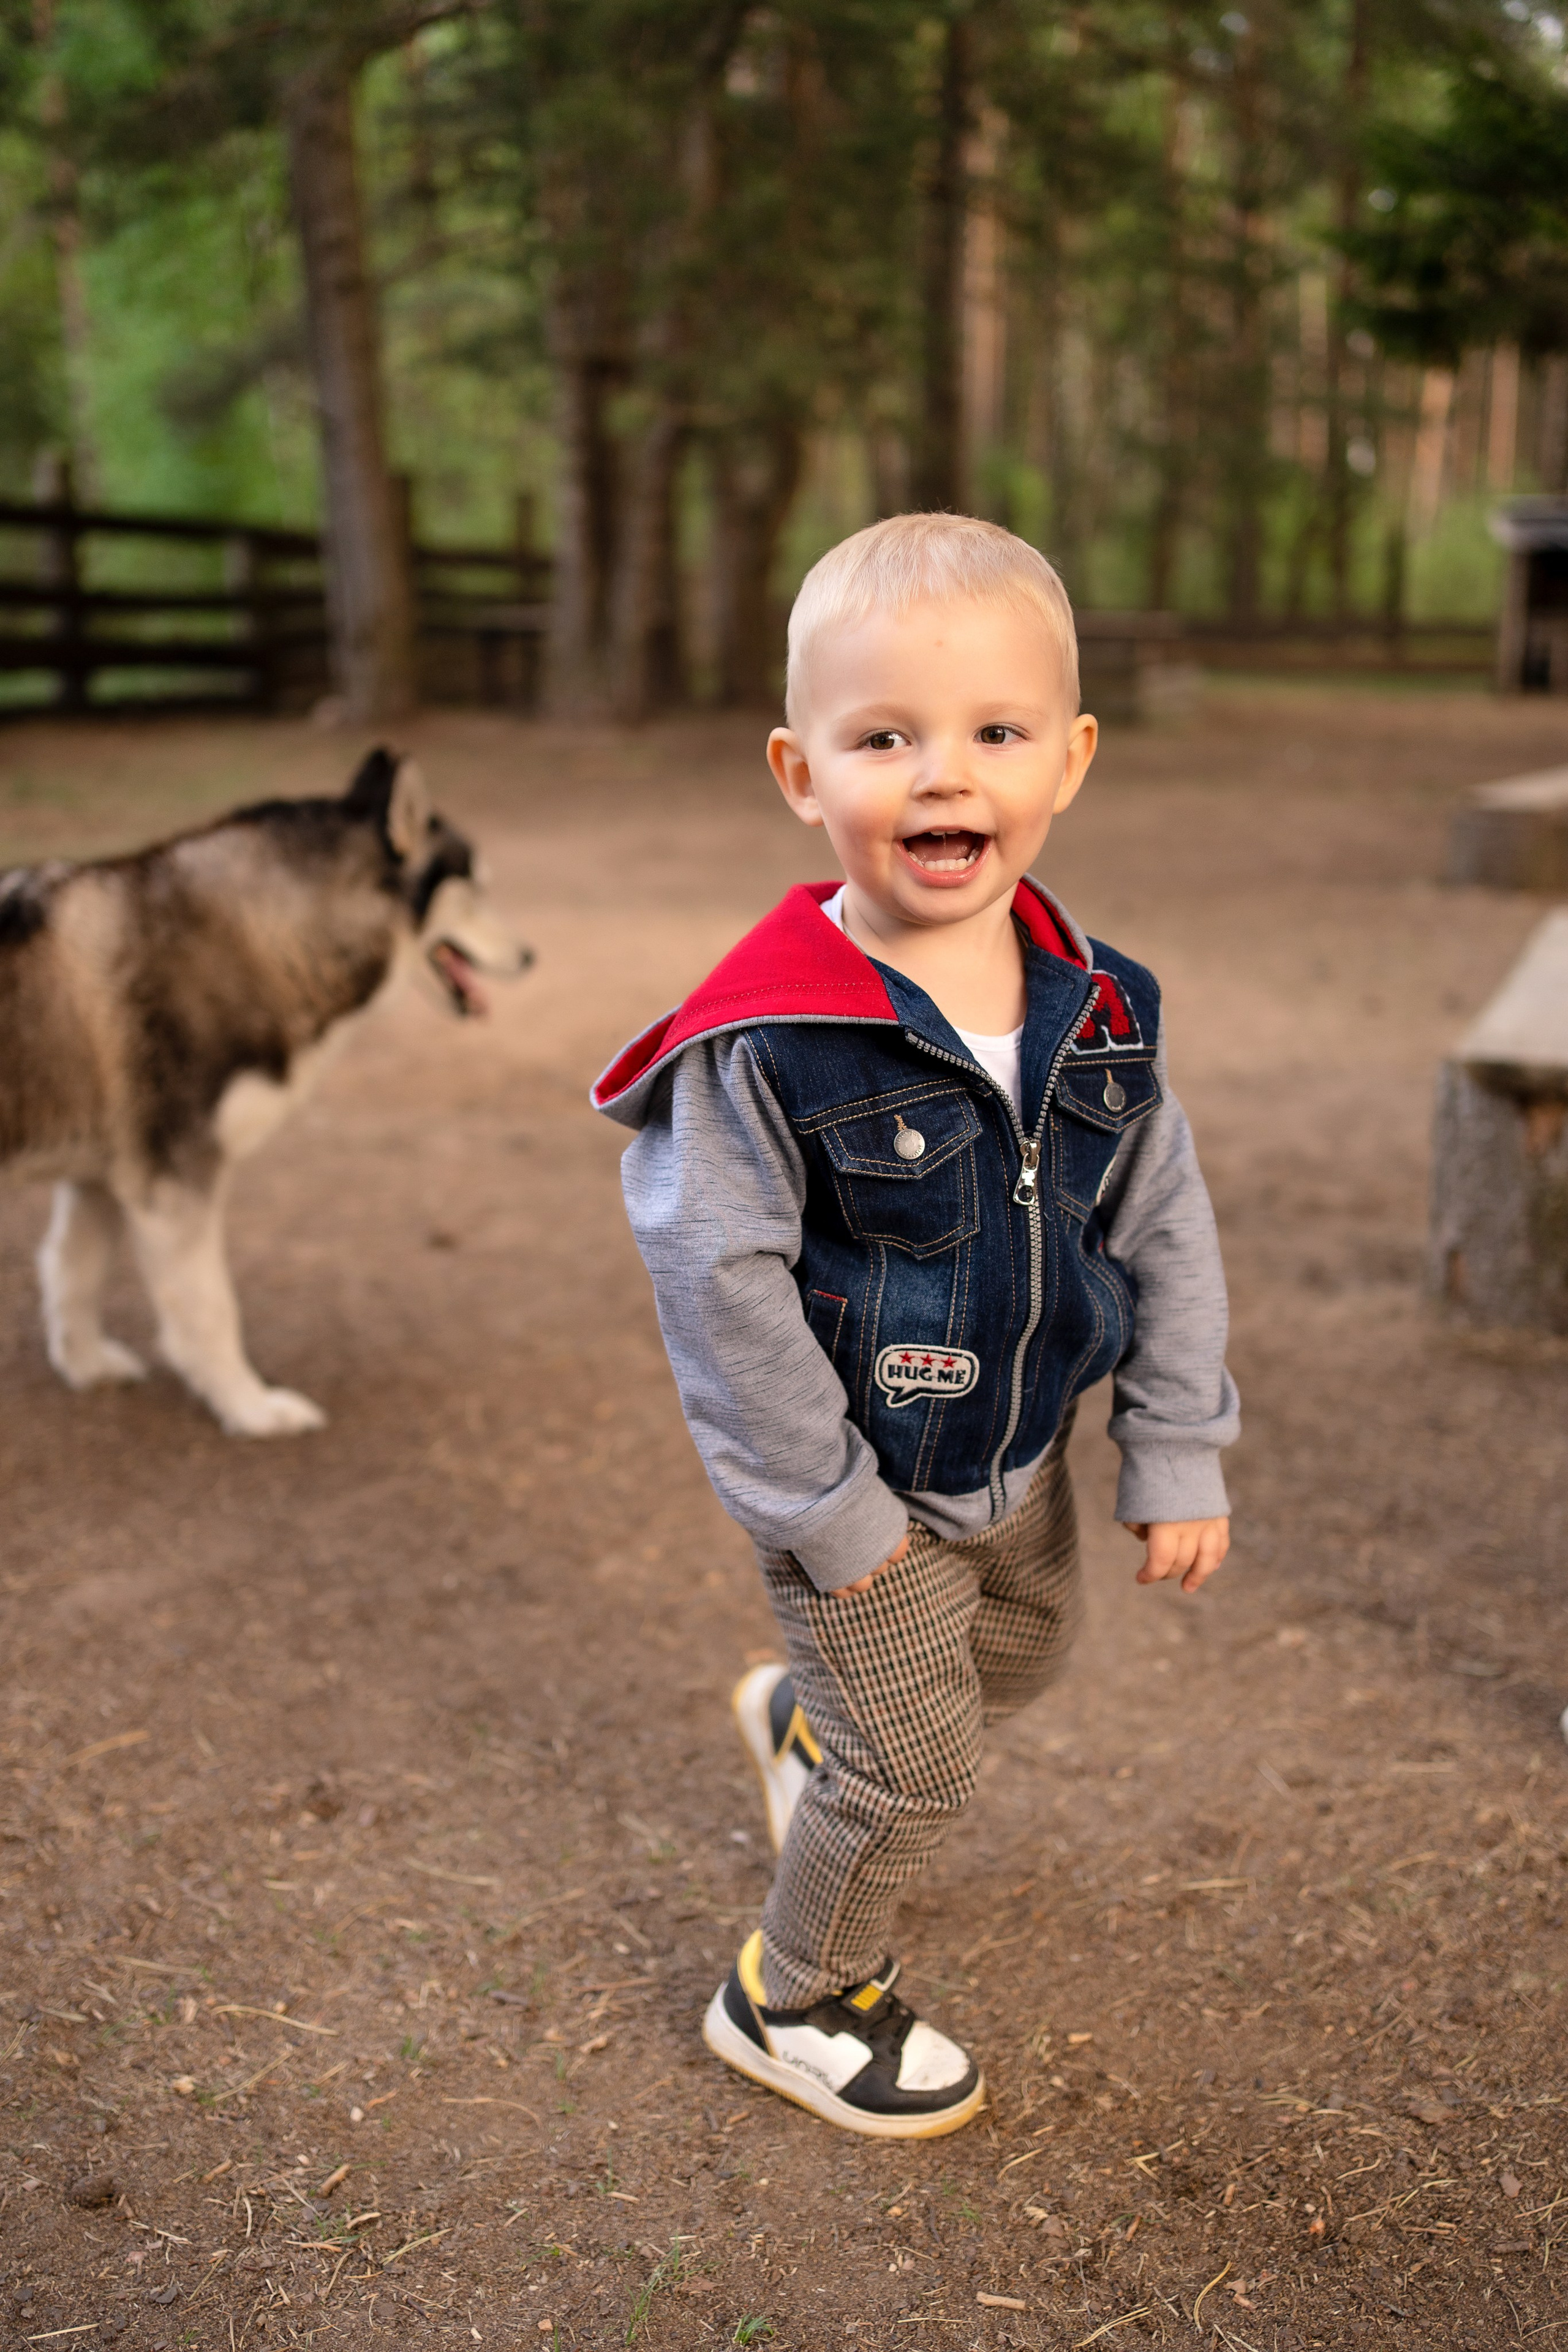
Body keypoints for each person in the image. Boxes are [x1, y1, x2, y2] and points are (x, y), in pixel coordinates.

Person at [592, 514, 1238, 2139]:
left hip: (1022, 1458)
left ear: (1070, 759)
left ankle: (812, 1725)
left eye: (995, 733)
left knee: (1025, 1650)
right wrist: (827, 1511)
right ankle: (791, 1993)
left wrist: (1175, 1442)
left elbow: (1162, 1219)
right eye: (886, 738)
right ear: (802, 772)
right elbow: (716, 1276)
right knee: (927, 1762)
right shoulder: (773, 1040)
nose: (945, 775)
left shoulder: (1100, 1012)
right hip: (860, 1497)